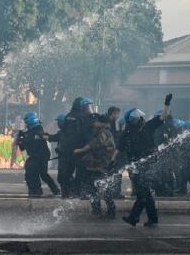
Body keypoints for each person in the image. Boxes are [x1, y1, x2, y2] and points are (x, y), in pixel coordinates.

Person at [117, 93, 172, 227]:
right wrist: (113, 160)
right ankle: (152, 219)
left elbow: (163, 116)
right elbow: (119, 149)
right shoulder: (128, 134)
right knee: (145, 193)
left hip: (147, 166)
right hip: (136, 167)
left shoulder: (148, 126)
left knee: (143, 193)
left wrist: (166, 104)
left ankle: (134, 217)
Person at [74, 114, 116, 216]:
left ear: (101, 123)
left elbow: (94, 145)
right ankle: (103, 209)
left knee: (96, 187)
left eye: (96, 121)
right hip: (98, 164)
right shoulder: (104, 132)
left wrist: (80, 150)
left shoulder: (103, 132)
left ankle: (103, 209)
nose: (94, 123)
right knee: (97, 186)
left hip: (99, 165)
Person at [59, 97, 94, 198]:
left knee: (68, 172)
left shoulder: (68, 116)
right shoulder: (83, 117)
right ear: (82, 107)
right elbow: (85, 133)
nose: (89, 109)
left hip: (68, 150)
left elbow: (64, 131)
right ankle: (78, 192)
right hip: (80, 149)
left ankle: (66, 193)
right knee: (81, 172)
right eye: (87, 107)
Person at [17, 112, 59, 198]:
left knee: (40, 174)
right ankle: (37, 192)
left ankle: (43, 191)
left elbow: (31, 139)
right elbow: (23, 147)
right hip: (36, 156)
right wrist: (20, 139)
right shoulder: (30, 132)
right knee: (34, 173)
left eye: (26, 122)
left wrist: (23, 138)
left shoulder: (38, 130)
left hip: (40, 156)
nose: (25, 124)